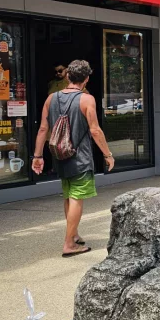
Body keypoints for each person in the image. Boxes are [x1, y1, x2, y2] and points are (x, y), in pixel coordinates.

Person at [33, 60, 114, 257]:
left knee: (69, 195)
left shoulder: (51, 98)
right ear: (86, 79)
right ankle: (69, 243)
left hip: (59, 155)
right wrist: (108, 154)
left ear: (68, 76)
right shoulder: (87, 99)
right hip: (80, 157)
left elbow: (43, 128)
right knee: (77, 197)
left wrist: (37, 155)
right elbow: (95, 130)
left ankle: (74, 234)